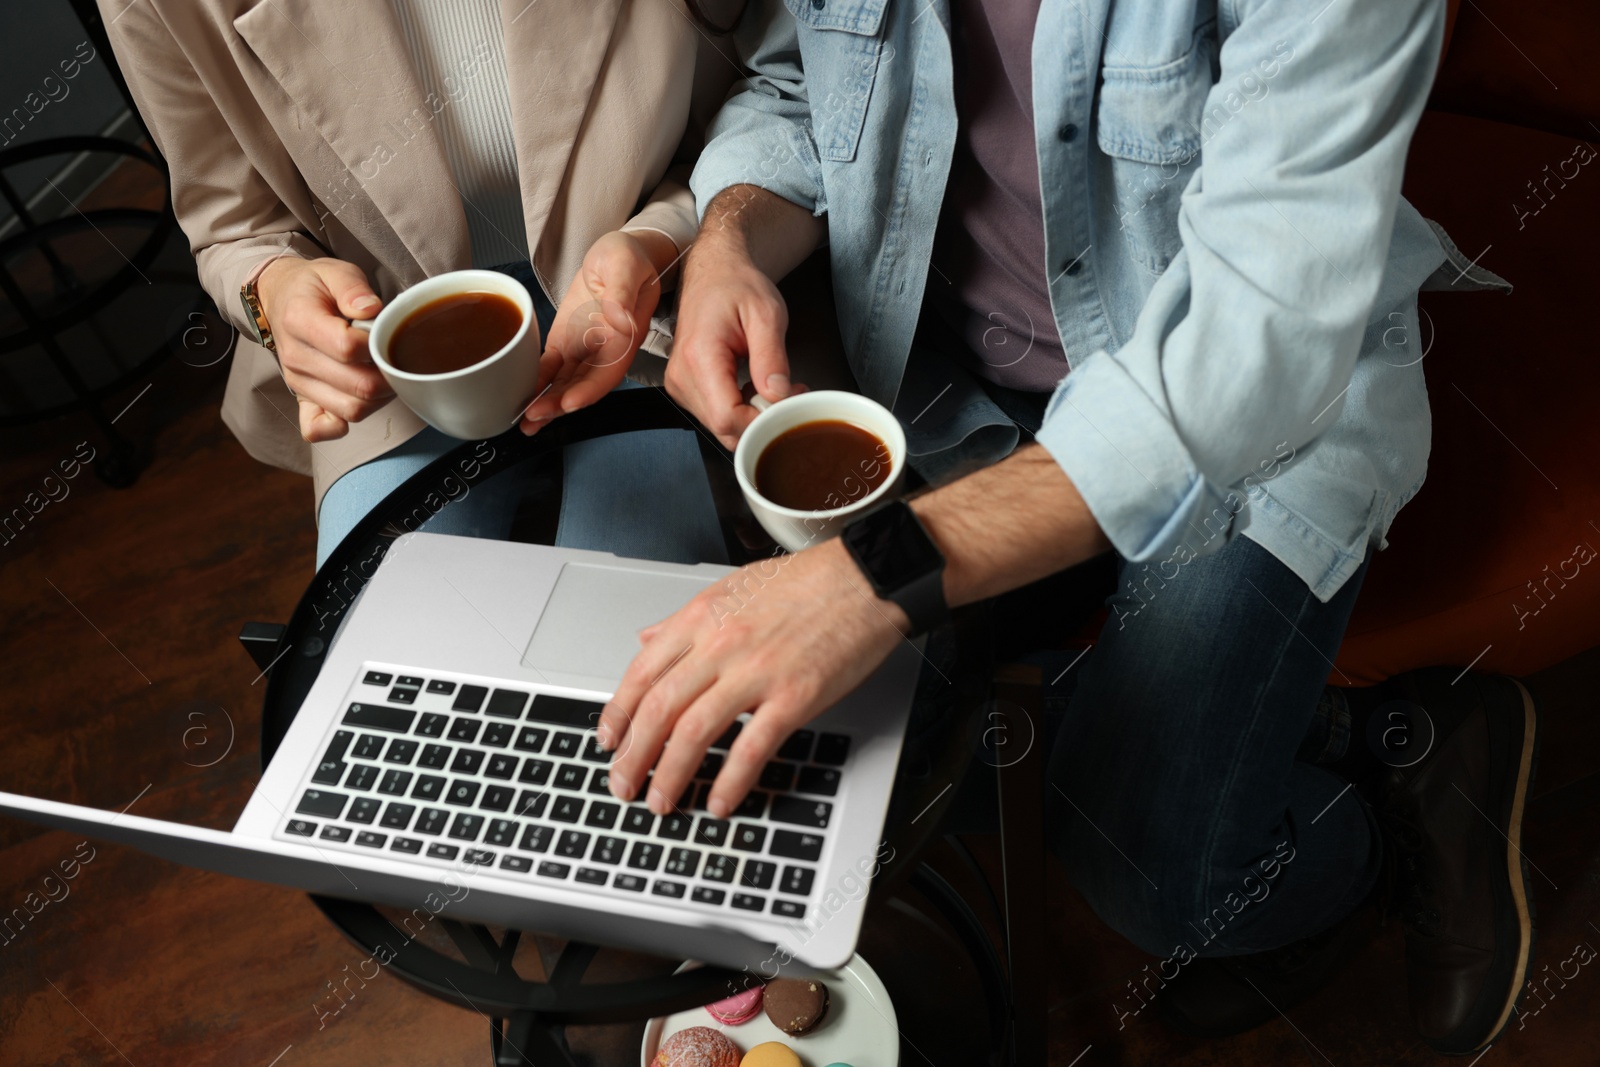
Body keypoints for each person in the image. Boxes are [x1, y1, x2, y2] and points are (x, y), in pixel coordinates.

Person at [587, 0, 1535, 1055]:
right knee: (875, 767)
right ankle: (1330, 735)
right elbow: (795, 86)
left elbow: (1248, 345)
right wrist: (728, 237)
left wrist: (874, 579)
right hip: (952, 388)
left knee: (1147, 876)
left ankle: (1389, 816)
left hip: (1266, 417)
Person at [100, 0, 744, 569]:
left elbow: (772, 103)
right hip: (388, 365)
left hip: (654, 309)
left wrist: (663, 236)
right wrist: (274, 290)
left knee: (626, 629)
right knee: (383, 639)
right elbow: (232, 224)